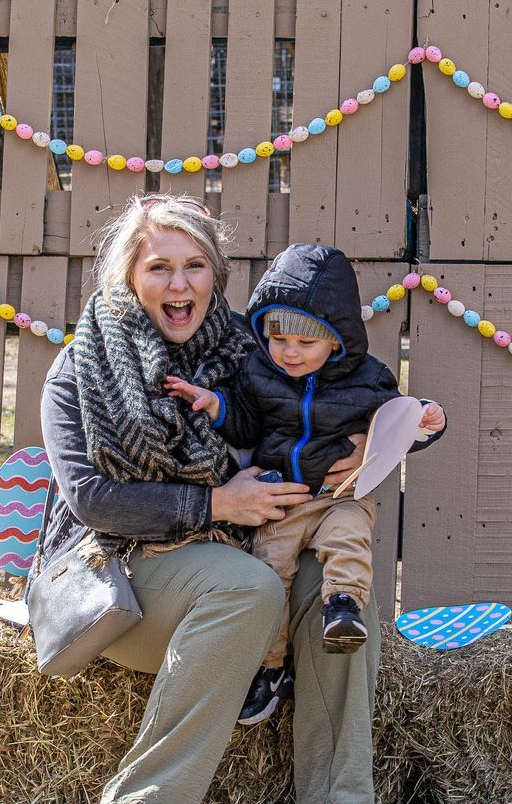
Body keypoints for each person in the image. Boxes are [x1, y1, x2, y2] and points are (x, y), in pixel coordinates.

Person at [34, 195, 397, 804]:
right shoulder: (80, 369)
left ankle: (340, 801)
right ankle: (140, 803)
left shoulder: (257, 350)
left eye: (195, 266)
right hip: (127, 572)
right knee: (248, 587)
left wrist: (349, 449)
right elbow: (91, 499)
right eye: (160, 268)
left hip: (253, 548)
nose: (180, 285)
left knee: (336, 583)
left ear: (217, 275)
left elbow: (326, 413)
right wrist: (214, 506)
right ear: (128, 277)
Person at [164, 243, 445, 726]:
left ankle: (343, 608)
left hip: (338, 497)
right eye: (278, 340)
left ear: (336, 341)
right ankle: (270, 668)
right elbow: (248, 427)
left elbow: (393, 430)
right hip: (284, 499)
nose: (289, 353)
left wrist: (427, 425)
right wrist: (216, 405)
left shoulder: (367, 380)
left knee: (350, 539)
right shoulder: (259, 373)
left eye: (305, 344)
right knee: (269, 575)